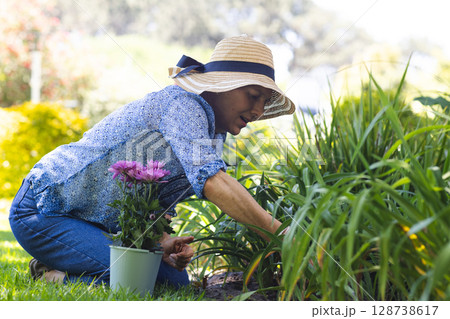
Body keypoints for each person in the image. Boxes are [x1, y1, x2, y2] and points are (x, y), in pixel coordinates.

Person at [9, 35, 295, 287]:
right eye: (254, 95)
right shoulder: (182, 105)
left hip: (98, 225)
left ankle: (71, 258)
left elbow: (148, 195)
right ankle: (51, 273)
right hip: (45, 209)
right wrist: (284, 235)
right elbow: (213, 182)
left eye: (265, 101)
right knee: (134, 280)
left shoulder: (214, 134)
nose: (258, 110)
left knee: (175, 285)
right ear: (221, 85)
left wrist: (161, 242)